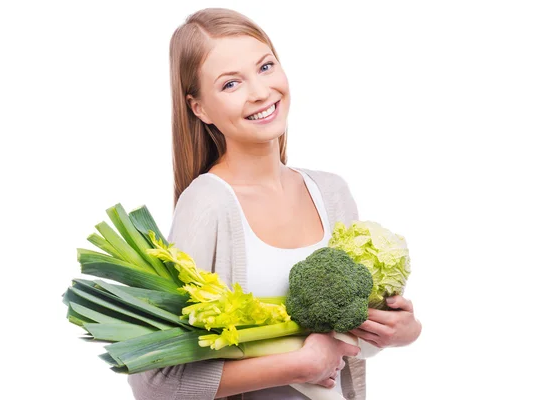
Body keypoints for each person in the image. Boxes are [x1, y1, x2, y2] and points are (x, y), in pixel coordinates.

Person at [128, 7, 422, 400]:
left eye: (265, 67)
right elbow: (153, 383)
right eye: (231, 84)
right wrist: (297, 364)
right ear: (199, 108)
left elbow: (347, 339)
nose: (261, 92)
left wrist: (402, 331)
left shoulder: (332, 192)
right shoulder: (208, 204)